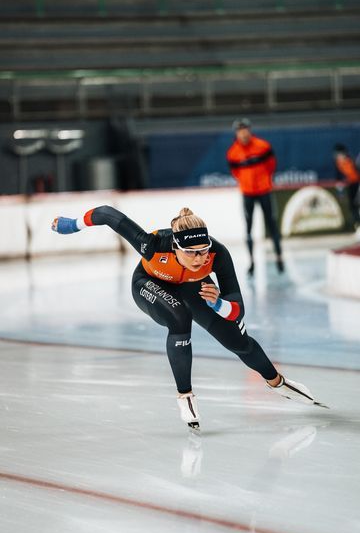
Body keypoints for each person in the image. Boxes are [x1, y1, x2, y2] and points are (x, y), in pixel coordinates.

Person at [52, 205, 325, 432]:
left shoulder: (218, 255)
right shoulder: (153, 244)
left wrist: (218, 303)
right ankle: (185, 395)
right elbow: (107, 214)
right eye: (191, 253)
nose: (199, 258)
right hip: (148, 284)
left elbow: (237, 308)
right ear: (175, 247)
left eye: (203, 251)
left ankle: (277, 381)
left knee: (236, 338)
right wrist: (72, 224)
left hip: (193, 286)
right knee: (179, 318)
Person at [227, 117, 284, 275]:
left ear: (250, 130)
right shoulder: (233, 153)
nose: (243, 134)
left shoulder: (263, 146)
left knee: (272, 225)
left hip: (264, 191)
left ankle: (279, 258)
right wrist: (247, 183)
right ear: (236, 134)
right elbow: (236, 172)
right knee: (249, 228)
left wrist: (263, 180)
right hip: (248, 194)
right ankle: (251, 262)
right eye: (240, 131)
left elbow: (271, 165)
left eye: (245, 130)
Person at [333, 143, 360, 231]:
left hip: (357, 184)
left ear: (343, 153)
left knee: (357, 204)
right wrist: (340, 191)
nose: (337, 156)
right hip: (350, 185)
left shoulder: (351, 160)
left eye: (338, 154)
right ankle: (357, 224)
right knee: (352, 206)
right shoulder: (338, 163)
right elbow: (338, 178)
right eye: (336, 154)